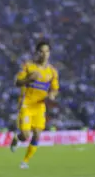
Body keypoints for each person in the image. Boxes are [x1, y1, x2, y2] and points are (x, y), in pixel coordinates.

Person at [9, 41, 59, 169]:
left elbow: (54, 89)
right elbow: (17, 82)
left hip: (40, 106)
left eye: (47, 51)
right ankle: (17, 138)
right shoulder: (28, 67)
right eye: (41, 51)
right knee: (25, 136)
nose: (44, 54)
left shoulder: (52, 71)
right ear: (37, 53)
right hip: (26, 105)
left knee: (37, 134)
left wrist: (52, 94)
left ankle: (25, 161)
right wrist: (28, 80)